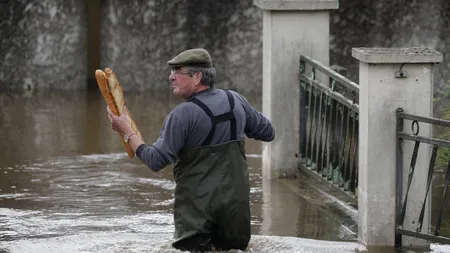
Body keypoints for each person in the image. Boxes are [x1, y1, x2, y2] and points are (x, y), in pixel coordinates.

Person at [107, 48, 275, 252]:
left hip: (197, 216)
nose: (171, 77)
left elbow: (155, 161)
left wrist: (126, 132)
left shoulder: (181, 116)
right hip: (235, 212)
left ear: (197, 77)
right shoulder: (235, 100)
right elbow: (268, 132)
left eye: (177, 71)